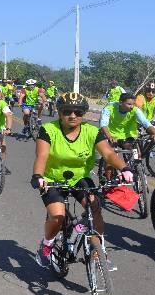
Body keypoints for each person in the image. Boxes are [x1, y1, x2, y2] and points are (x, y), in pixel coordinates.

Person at [30, 92, 133, 270]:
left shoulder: (92, 131)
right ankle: (46, 246)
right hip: (52, 179)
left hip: (80, 178)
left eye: (77, 112)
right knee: (58, 215)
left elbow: (108, 154)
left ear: (83, 114)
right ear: (59, 112)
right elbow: (42, 155)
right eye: (67, 111)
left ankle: (98, 252)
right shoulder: (48, 130)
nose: (72, 116)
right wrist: (38, 176)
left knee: (95, 208)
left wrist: (123, 168)